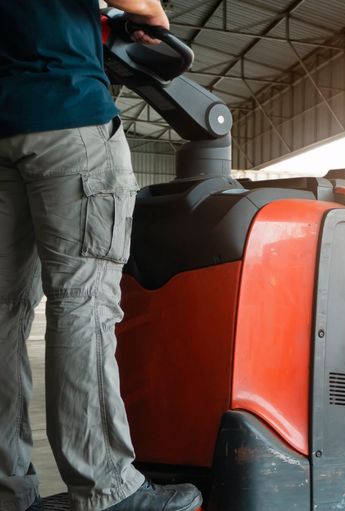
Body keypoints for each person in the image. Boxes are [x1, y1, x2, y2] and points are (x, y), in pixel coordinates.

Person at [0, 1, 202, 510]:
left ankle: (8, 492)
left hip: (3, 127)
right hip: (66, 114)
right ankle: (105, 489)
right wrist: (151, 12)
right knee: (83, 301)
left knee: (3, 315)